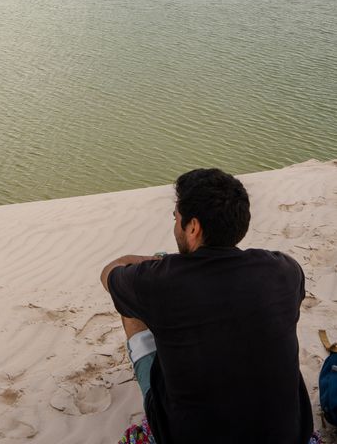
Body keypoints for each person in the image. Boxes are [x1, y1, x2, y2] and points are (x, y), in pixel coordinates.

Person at [100, 167, 315, 444]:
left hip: (183, 434)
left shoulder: (159, 282)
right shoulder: (285, 270)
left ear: (193, 227)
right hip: (288, 435)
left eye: (176, 218)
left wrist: (153, 262)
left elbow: (109, 273)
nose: (175, 225)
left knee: (131, 309)